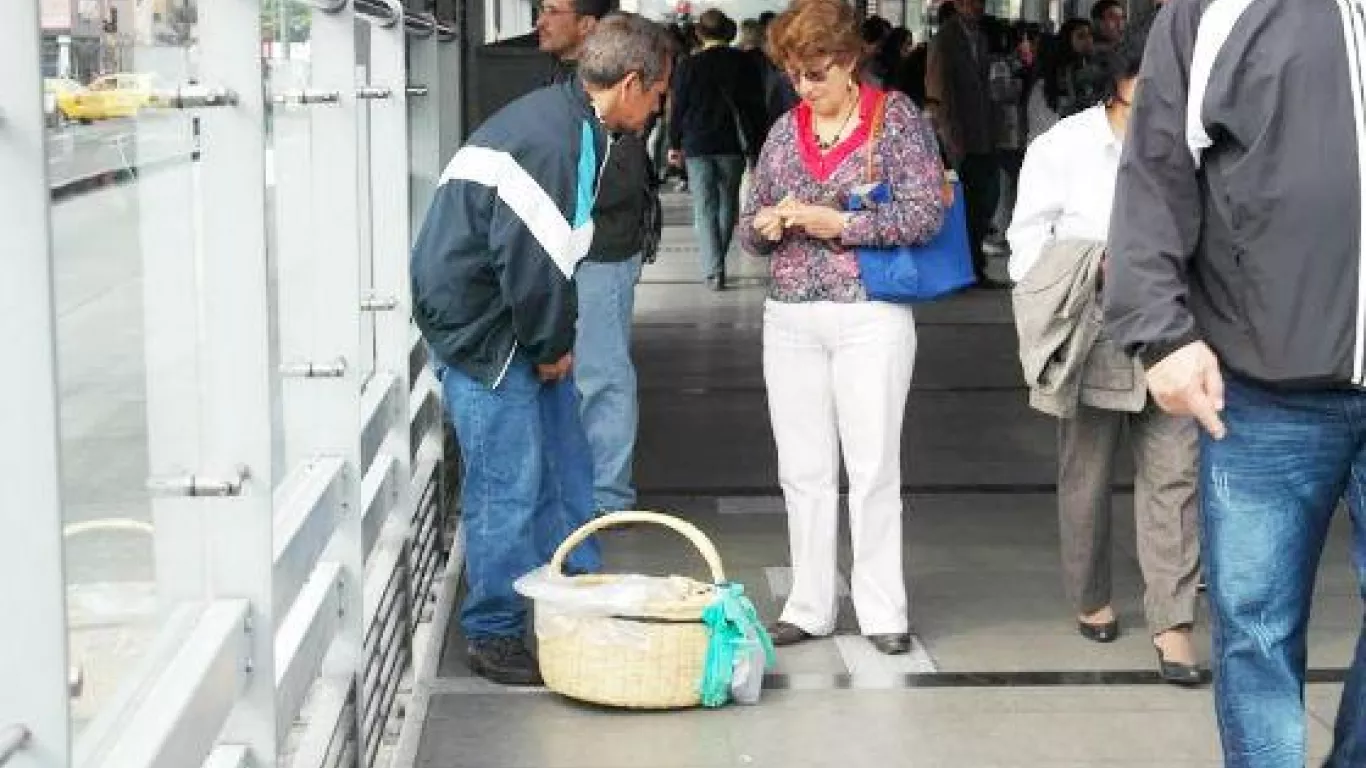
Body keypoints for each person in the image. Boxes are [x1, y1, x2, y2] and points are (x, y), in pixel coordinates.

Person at [1105, 0, 1366, 763]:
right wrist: (1162, 333)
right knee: (1255, 630)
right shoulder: (1212, 10)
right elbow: (1154, 172)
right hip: (1263, 390)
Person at [411, 13, 672, 686]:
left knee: (565, 466)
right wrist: (551, 347)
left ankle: (576, 595)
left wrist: (551, 342)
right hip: (484, 332)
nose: (658, 107)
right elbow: (533, 266)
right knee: (509, 483)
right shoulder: (559, 144)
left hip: (497, 318)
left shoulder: (568, 122)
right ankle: (493, 631)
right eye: (657, 93)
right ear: (631, 84)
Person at [739, 0, 946, 656]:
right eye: (794, 74)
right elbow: (749, 226)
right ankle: (809, 605)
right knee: (801, 468)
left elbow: (926, 214)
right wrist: (766, 225)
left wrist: (843, 225)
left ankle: (883, 610)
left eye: (817, 72)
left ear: (850, 60)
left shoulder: (897, 119)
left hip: (870, 312)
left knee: (874, 464)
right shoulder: (783, 130)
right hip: (790, 315)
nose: (805, 87)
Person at [1008, 17, 1203, 687]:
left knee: (1176, 476)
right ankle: (1090, 595)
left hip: (1175, 328)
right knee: (1086, 475)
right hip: (1091, 331)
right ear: (1120, 80)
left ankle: (1173, 623)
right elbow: (1025, 249)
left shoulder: (1193, 145)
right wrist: (1091, 266)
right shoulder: (1063, 146)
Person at [537, 0, 659, 515]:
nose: (540, 21)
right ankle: (590, 491)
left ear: (587, 26)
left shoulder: (606, 98)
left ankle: (607, 498)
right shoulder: (564, 85)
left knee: (601, 374)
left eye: (553, 10)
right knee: (586, 373)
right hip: (584, 252)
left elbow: (616, 182)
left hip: (602, 253)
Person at [669, 8, 765, 290]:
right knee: (727, 203)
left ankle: (713, 269)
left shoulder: (689, 65)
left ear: (699, 33)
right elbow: (756, 107)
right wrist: (758, 147)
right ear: (729, 32)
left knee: (704, 206)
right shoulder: (745, 63)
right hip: (732, 143)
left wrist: (674, 142)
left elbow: (678, 108)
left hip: (697, 143)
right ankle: (716, 262)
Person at [925, 0, 1004, 288]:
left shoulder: (981, 38)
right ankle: (968, 269)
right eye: (970, 2)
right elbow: (937, 90)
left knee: (986, 199)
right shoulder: (944, 40)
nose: (977, 7)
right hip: (959, 135)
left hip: (984, 132)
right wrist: (949, 135)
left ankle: (974, 266)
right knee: (966, 206)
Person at [1025, 18, 1095, 145]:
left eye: (1090, 35)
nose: (1088, 40)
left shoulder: (1091, 71)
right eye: (1081, 36)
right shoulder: (1050, 80)